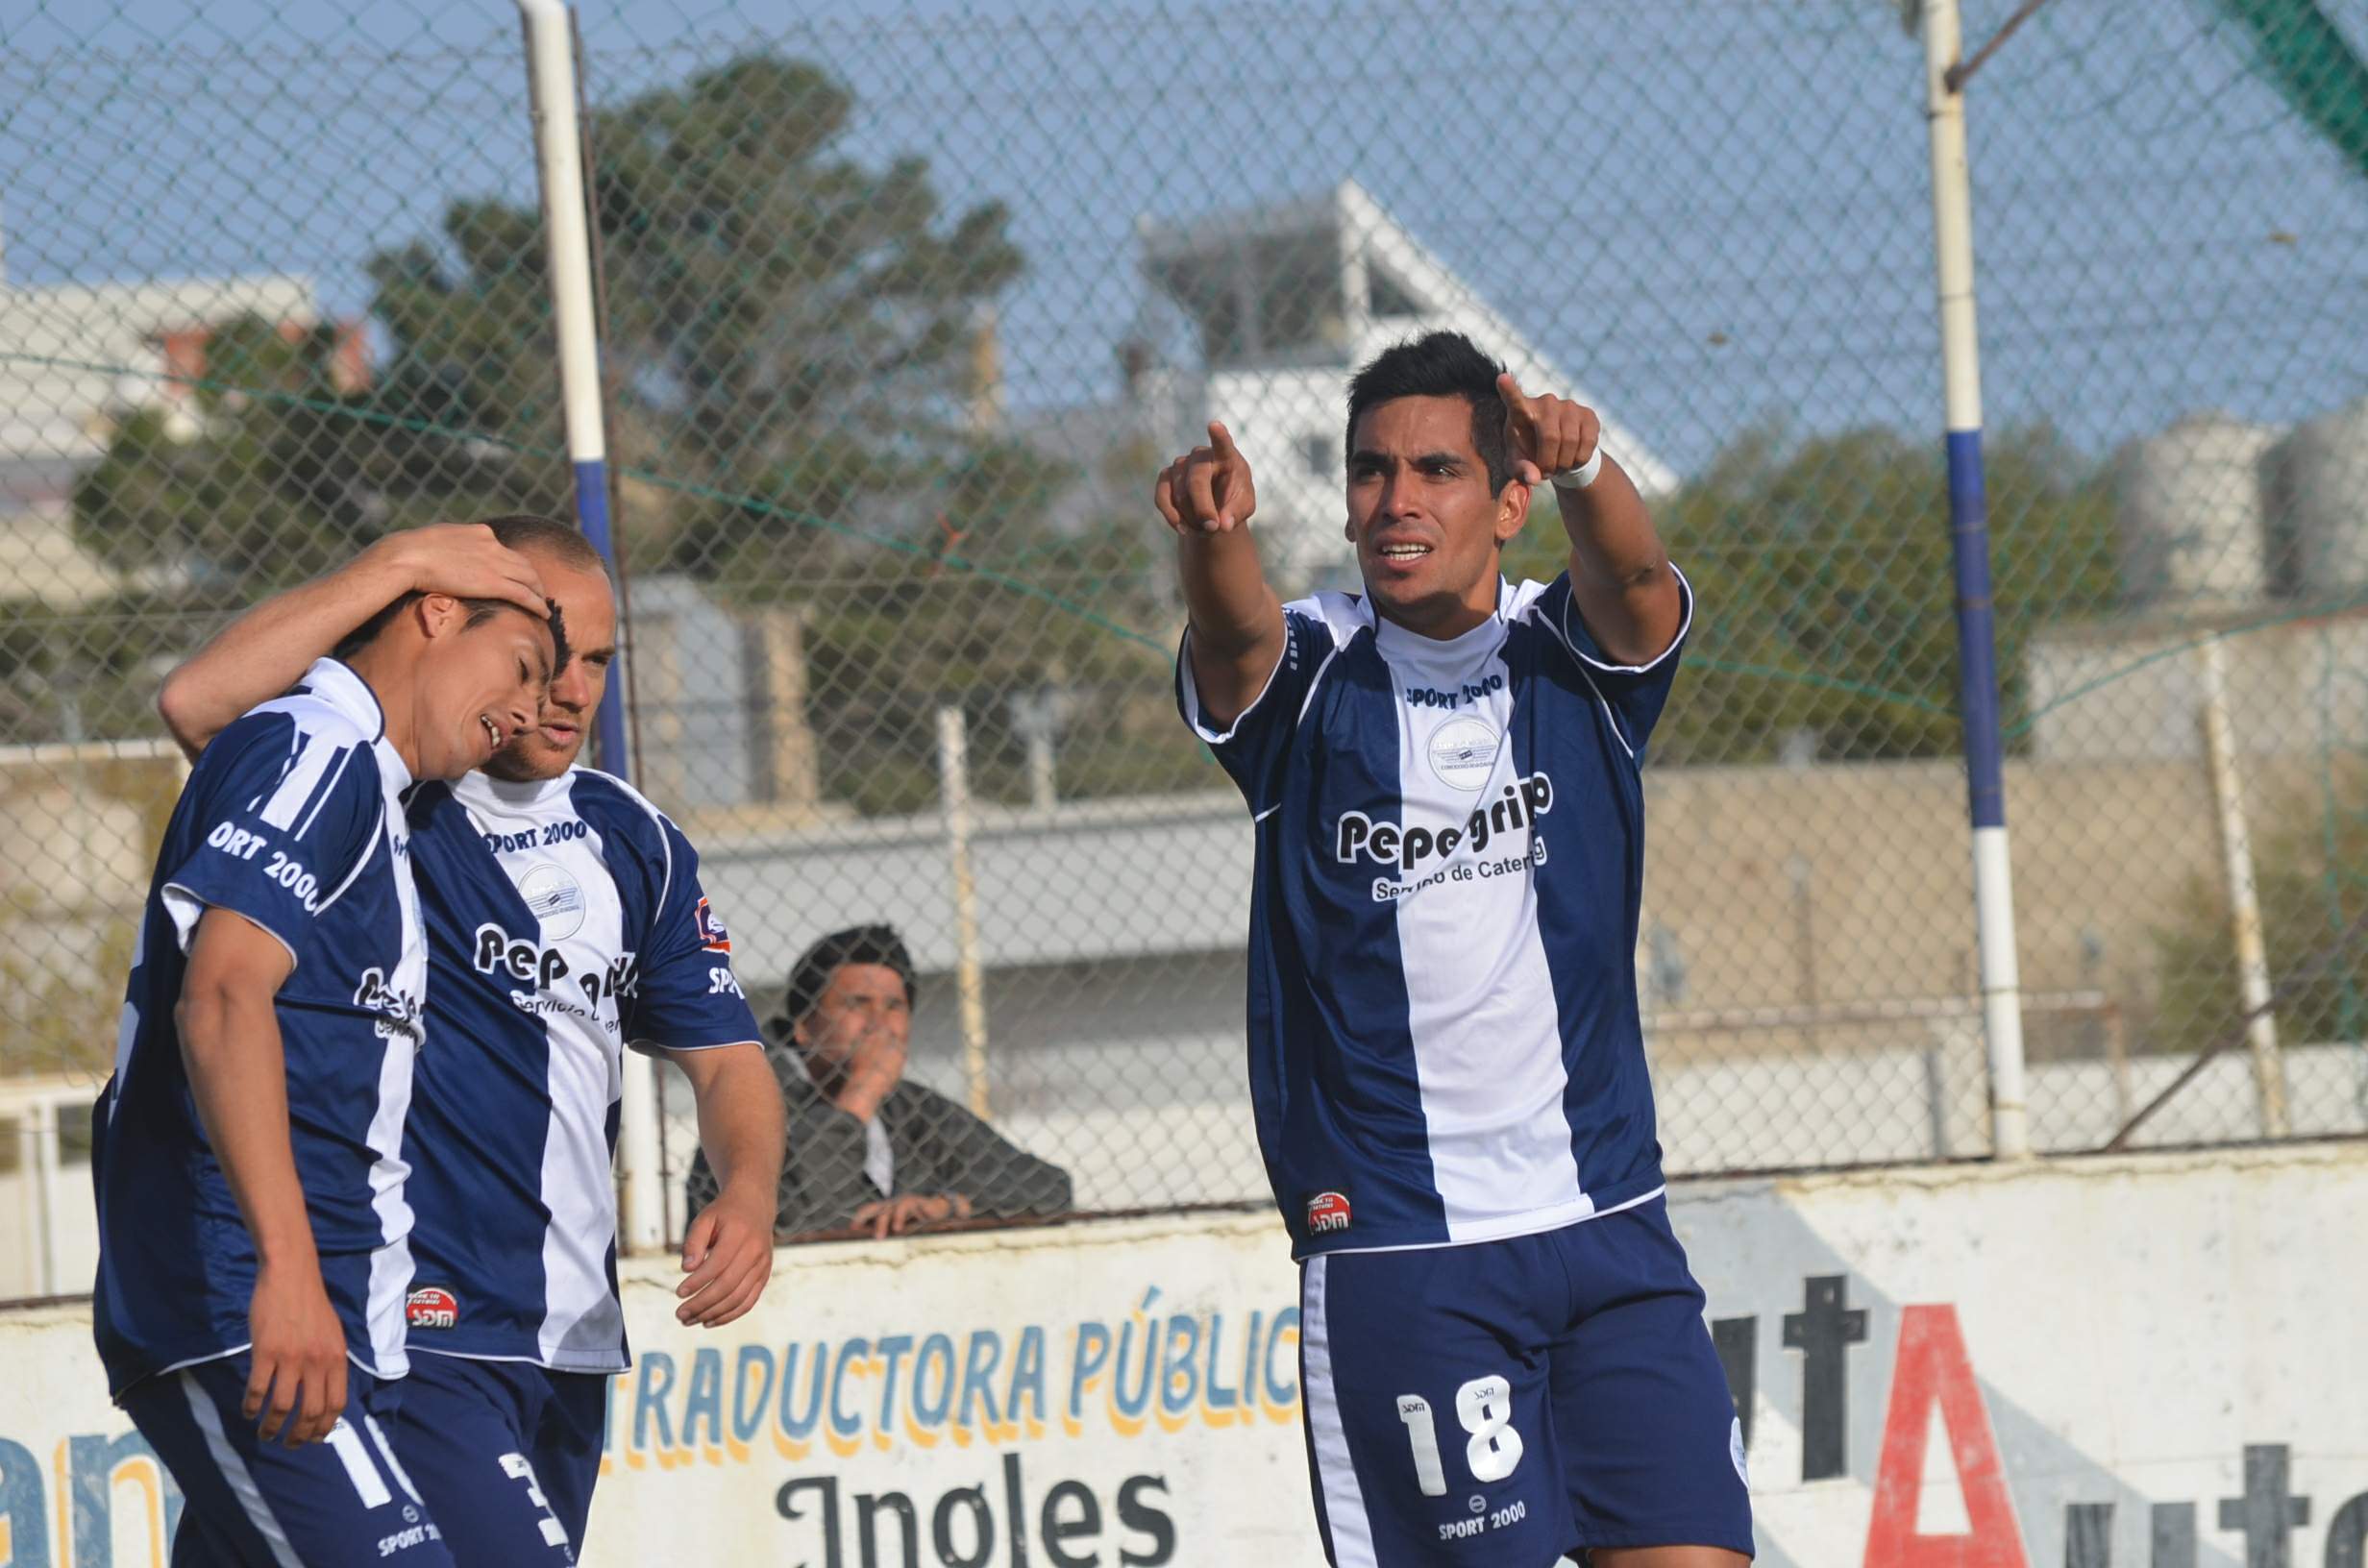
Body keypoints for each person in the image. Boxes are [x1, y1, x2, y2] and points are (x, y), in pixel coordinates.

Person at [1155, 331, 1752, 1567]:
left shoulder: (1568, 655)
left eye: (1436, 471)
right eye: (1372, 473)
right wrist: (1215, 540)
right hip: (1404, 1254)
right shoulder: (1314, 671)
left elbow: (1642, 591)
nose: (1396, 501)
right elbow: (1231, 644)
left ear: (1511, 498)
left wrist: (1593, 474)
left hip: (1607, 1226)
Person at [155, 515, 786, 1566]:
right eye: (545, 656)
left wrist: (750, 1193)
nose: (572, 690)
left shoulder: (635, 842)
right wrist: (397, 569)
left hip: (572, 1337)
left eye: (598, 661)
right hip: (422, 1333)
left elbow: (726, 1060)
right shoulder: (392, 785)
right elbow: (201, 707)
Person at [93, 578, 556, 1566]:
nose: (531, 709)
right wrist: (287, 1271)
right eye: (522, 666)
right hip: (238, 1301)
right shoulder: (320, 747)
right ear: (434, 614)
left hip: (345, 1321)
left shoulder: (380, 797)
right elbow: (220, 998)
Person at [684, 924, 1073, 1239]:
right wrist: (858, 1099)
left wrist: (949, 1205)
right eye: (857, 1004)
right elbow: (805, 1217)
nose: (879, 1024)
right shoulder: (751, 1099)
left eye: (894, 1007)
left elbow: (1049, 1188)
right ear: (803, 1026)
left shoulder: (911, 1107)